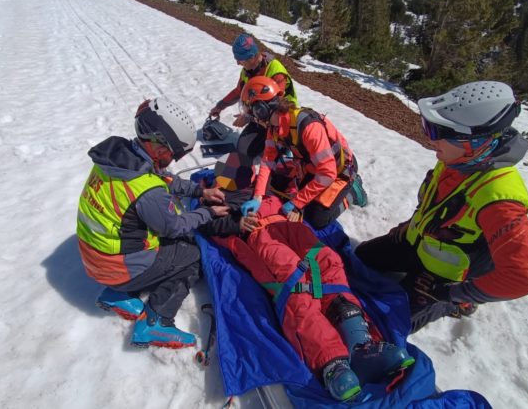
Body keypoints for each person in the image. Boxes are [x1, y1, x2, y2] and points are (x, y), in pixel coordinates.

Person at [355, 81, 528, 333]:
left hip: (448, 278)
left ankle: (460, 305)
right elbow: (437, 209)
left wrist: (451, 292)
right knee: (360, 259)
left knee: (384, 327)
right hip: (418, 245)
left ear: (473, 142)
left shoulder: (499, 198)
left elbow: (524, 278)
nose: (433, 141)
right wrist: (408, 228)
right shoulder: (459, 160)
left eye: (439, 133)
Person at [198, 191, 414, 402]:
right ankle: (332, 362)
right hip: (256, 234)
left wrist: (295, 203)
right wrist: (236, 224)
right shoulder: (214, 201)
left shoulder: (260, 181)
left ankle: (360, 346)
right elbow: (208, 225)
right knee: (294, 282)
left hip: (288, 224)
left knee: (329, 262)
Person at [76, 98, 229, 348]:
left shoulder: (120, 159)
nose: (175, 161)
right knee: (190, 254)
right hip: (115, 268)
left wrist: (199, 193)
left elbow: (162, 179)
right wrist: (208, 213)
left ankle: (119, 294)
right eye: (175, 154)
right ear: (160, 147)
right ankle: (156, 322)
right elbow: (174, 226)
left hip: (95, 257)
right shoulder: (147, 190)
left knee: (154, 237)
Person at [239, 76, 367, 230]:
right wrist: (258, 196)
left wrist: (297, 202)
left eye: (253, 113)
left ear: (261, 110)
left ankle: (353, 191)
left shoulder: (308, 126)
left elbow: (327, 173)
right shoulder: (274, 128)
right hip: (314, 166)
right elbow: (267, 161)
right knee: (281, 185)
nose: (253, 118)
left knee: (318, 218)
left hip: (340, 170)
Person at [209, 33, 298, 160]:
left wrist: (248, 117)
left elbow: (277, 107)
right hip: (260, 116)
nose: (237, 63)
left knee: (261, 152)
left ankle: (284, 146)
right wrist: (219, 106)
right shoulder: (248, 70)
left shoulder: (275, 71)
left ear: (251, 57)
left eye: (240, 59)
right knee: (243, 148)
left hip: (282, 120)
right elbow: (239, 91)